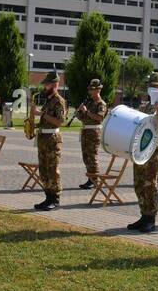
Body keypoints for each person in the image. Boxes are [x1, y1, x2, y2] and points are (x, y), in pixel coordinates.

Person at [129, 72, 158, 232]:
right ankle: (143, 215)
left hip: (154, 148)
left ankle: (151, 219)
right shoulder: (145, 105)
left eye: (155, 86)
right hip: (140, 147)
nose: (151, 88)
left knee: (150, 183)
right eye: (150, 86)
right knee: (139, 183)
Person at [30, 72, 67, 211]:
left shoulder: (59, 101)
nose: (45, 87)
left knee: (52, 170)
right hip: (43, 139)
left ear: (55, 84)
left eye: (47, 84)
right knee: (44, 170)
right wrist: (34, 125)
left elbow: (59, 122)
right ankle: (47, 197)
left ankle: (55, 199)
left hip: (52, 140)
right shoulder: (48, 100)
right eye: (45, 84)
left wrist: (41, 114)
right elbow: (46, 121)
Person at [76, 79, 108, 189]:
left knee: (92, 156)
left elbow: (99, 118)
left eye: (93, 89)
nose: (90, 91)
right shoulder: (89, 102)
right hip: (86, 131)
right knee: (86, 156)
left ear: (98, 90)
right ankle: (90, 178)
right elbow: (82, 118)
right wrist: (79, 111)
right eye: (90, 89)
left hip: (94, 132)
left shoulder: (101, 104)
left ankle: (95, 179)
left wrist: (86, 112)